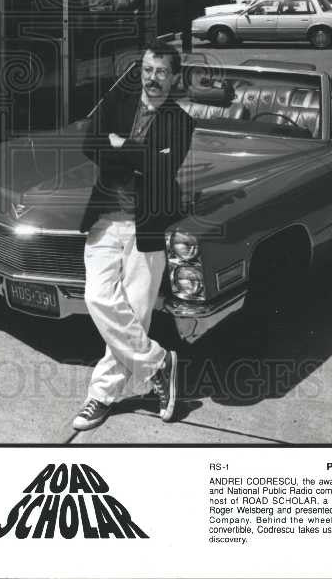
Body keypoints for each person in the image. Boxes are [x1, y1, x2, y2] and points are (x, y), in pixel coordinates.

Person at [72, 42, 196, 431]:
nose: (152, 78)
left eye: (161, 72)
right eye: (147, 69)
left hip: (149, 223)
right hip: (106, 219)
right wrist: (140, 154)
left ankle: (100, 397)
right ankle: (159, 363)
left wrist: (121, 146)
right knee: (98, 297)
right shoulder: (116, 103)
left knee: (135, 315)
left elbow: (163, 169)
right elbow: (89, 144)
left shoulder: (181, 122)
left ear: (174, 77)